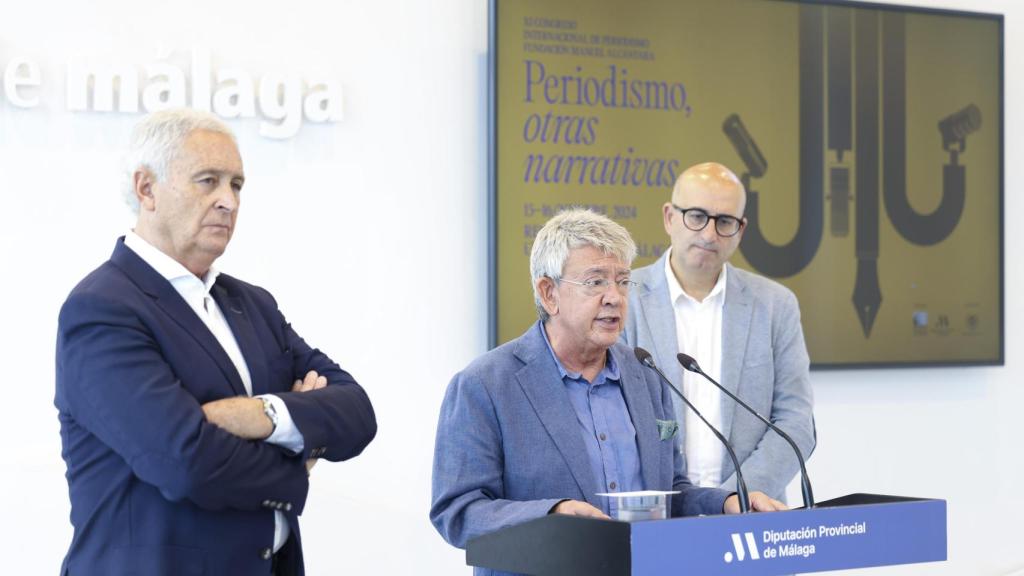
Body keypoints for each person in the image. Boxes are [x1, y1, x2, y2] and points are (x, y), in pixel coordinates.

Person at [54, 109, 377, 576]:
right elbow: (184, 462)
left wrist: (263, 415)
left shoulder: (253, 304)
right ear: (147, 189)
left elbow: (356, 412)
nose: (228, 201)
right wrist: (298, 456)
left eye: (237, 185)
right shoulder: (102, 308)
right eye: (208, 181)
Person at [430, 208, 784, 575]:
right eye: (596, 282)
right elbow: (457, 512)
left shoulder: (646, 374)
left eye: (623, 281)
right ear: (549, 293)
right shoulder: (485, 385)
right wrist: (552, 515)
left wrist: (726, 502)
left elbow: (669, 491)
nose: (615, 297)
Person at [621, 161, 815, 503]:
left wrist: (729, 501)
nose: (709, 234)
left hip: (750, 509)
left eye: (724, 222)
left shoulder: (775, 305)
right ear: (669, 217)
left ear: (741, 230)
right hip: (654, 512)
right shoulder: (623, 299)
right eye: (696, 216)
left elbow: (796, 422)